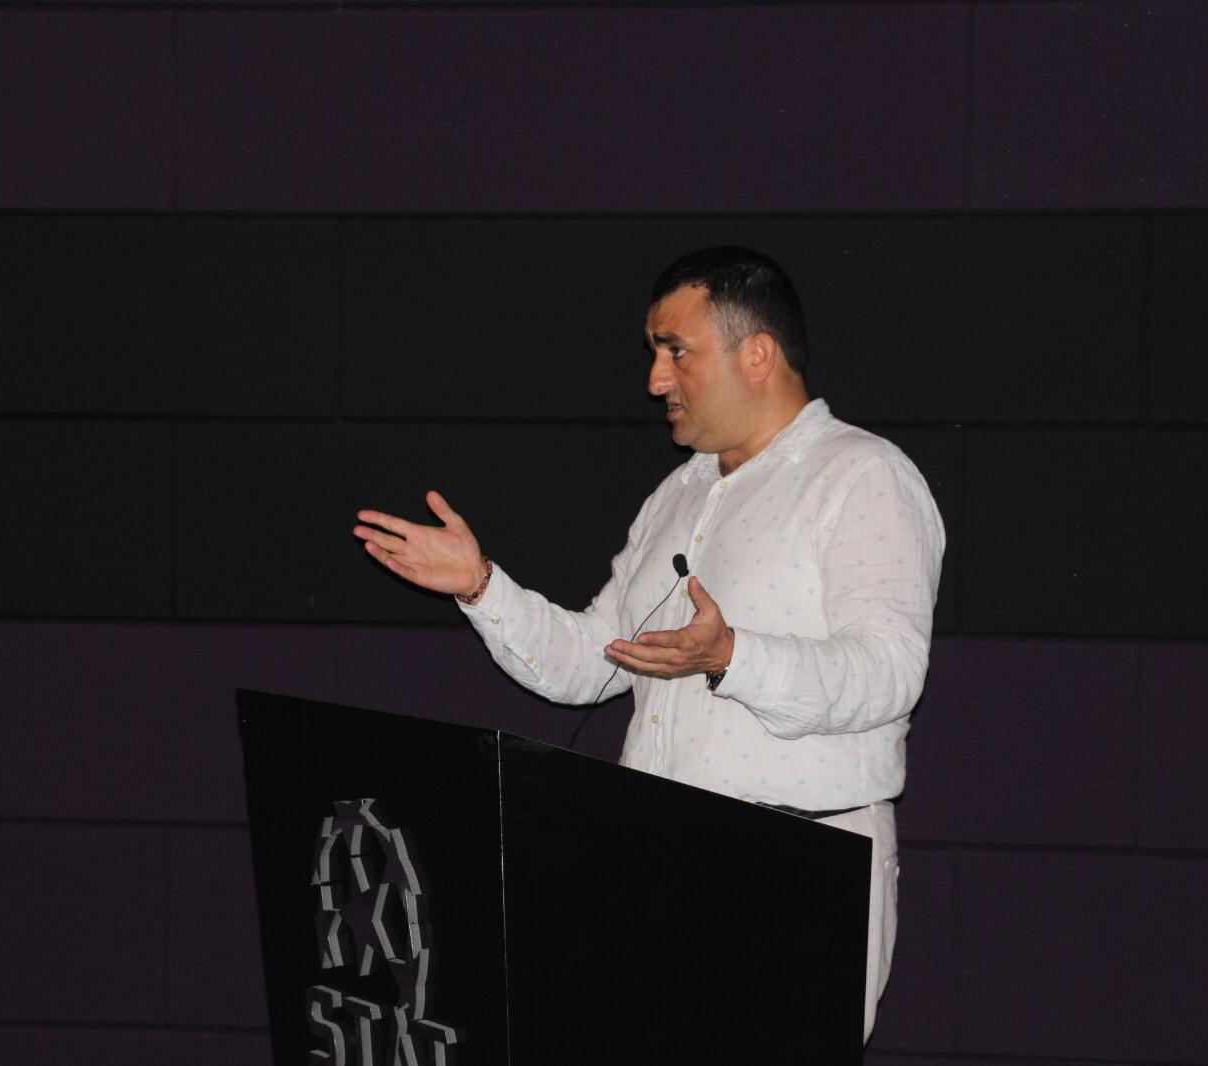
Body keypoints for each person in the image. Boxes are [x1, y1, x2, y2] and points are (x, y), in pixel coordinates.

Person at [353, 246, 944, 1043]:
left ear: (758, 354)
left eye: (676, 352)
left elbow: (889, 672)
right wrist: (482, 586)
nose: (655, 380)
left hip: (797, 869)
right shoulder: (680, 492)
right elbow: (593, 661)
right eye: (654, 353)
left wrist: (731, 656)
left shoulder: (862, 476)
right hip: (654, 861)